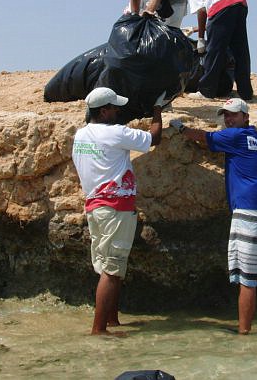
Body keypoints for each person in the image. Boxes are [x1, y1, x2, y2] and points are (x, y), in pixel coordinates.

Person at [169, 98, 257, 335]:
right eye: (226, 115)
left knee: (247, 278)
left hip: (248, 213)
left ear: (245, 117)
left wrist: (180, 127)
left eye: (233, 115)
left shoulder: (235, 137)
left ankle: (243, 333)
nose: (228, 119)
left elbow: (203, 137)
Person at [72, 87, 168, 336]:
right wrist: (158, 110)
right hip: (115, 209)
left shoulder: (81, 136)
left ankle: (112, 321)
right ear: (104, 111)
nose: (118, 111)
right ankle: (99, 330)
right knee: (113, 271)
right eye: (114, 107)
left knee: (108, 267)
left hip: (95, 207)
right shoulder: (115, 133)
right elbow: (153, 138)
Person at [185, 0, 253, 101]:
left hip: (223, 4)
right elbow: (219, 24)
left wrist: (200, 38)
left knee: (214, 50)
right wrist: (196, 29)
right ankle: (245, 93)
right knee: (240, 50)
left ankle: (206, 91)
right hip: (240, 2)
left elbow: (202, 11)